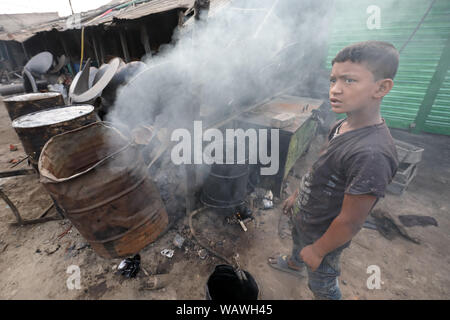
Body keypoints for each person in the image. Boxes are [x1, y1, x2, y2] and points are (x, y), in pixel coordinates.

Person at [268, 41, 400, 300]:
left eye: (349, 81)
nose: (335, 90)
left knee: (322, 282)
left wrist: (318, 251)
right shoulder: (342, 124)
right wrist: (297, 194)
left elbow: (350, 222)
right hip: (306, 217)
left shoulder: (372, 154)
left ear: (381, 87)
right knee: (298, 242)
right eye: (333, 80)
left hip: (325, 235)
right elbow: (320, 166)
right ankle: (295, 263)